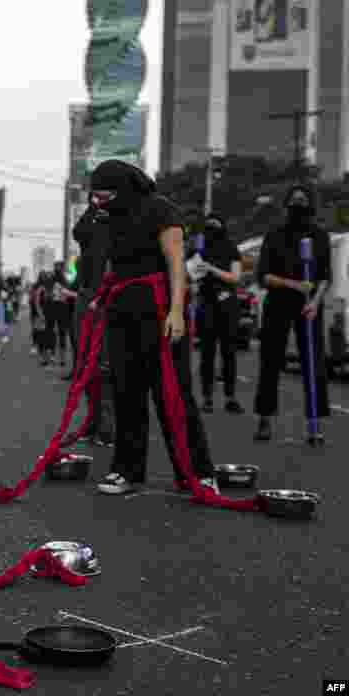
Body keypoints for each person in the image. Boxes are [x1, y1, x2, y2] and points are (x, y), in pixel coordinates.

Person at [85, 160, 218, 496]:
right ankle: (127, 470)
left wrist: (176, 311)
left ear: (123, 187)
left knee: (172, 391)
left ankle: (197, 472)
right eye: (96, 198)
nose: (99, 203)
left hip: (159, 307)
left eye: (104, 196)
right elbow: (118, 265)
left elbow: (176, 264)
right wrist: (101, 297)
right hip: (122, 308)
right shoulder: (111, 218)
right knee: (126, 391)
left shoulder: (161, 210)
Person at [251, 185, 332, 442]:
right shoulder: (274, 236)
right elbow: (264, 276)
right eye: (294, 200)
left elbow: (325, 277)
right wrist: (295, 285)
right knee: (270, 361)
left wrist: (315, 302)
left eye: (303, 200)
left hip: (309, 306)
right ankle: (265, 419)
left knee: (314, 363)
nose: (298, 204)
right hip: (278, 303)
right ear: (287, 206)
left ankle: (315, 423)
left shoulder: (320, 237)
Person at [70, 207, 115, 446]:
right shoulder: (89, 230)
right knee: (86, 364)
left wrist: (103, 297)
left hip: (108, 299)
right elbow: (77, 231)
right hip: (86, 297)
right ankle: (93, 422)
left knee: (105, 366)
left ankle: (107, 427)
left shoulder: (121, 227)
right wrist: (93, 206)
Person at [191, 214, 245, 414]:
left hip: (227, 305)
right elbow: (190, 273)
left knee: (229, 352)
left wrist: (211, 269)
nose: (212, 229)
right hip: (207, 305)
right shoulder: (199, 248)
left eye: (215, 225)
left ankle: (231, 397)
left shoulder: (231, 248)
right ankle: (207, 397)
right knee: (207, 353)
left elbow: (235, 277)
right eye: (208, 226)